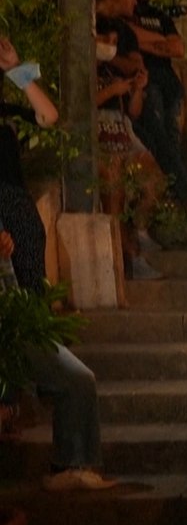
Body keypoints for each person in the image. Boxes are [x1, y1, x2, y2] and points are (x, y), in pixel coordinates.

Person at [0, 231, 113, 491]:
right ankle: (71, 466)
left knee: (79, 378)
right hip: (9, 333)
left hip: (16, 324)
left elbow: (9, 284)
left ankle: (73, 466)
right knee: (75, 379)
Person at [95, 20, 166, 281]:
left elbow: (133, 111)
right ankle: (129, 259)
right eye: (106, 41)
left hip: (123, 132)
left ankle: (140, 229)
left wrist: (137, 90)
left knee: (154, 179)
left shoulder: (114, 71)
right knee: (115, 194)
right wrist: (110, 91)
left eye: (114, 43)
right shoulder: (80, 70)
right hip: (99, 138)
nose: (110, 47)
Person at [0, 36, 59, 290]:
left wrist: (14, 67)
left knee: (31, 288)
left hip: (17, 204)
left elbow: (48, 116)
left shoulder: (8, 114)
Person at [131, 0, 187, 204]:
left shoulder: (160, 16)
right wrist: (161, 41)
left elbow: (178, 49)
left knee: (172, 141)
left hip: (170, 87)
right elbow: (130, 39)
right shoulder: (127, 14)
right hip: (147, 85)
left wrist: (146, 42)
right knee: (159, 141)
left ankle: (174, 195)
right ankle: (175, 196)